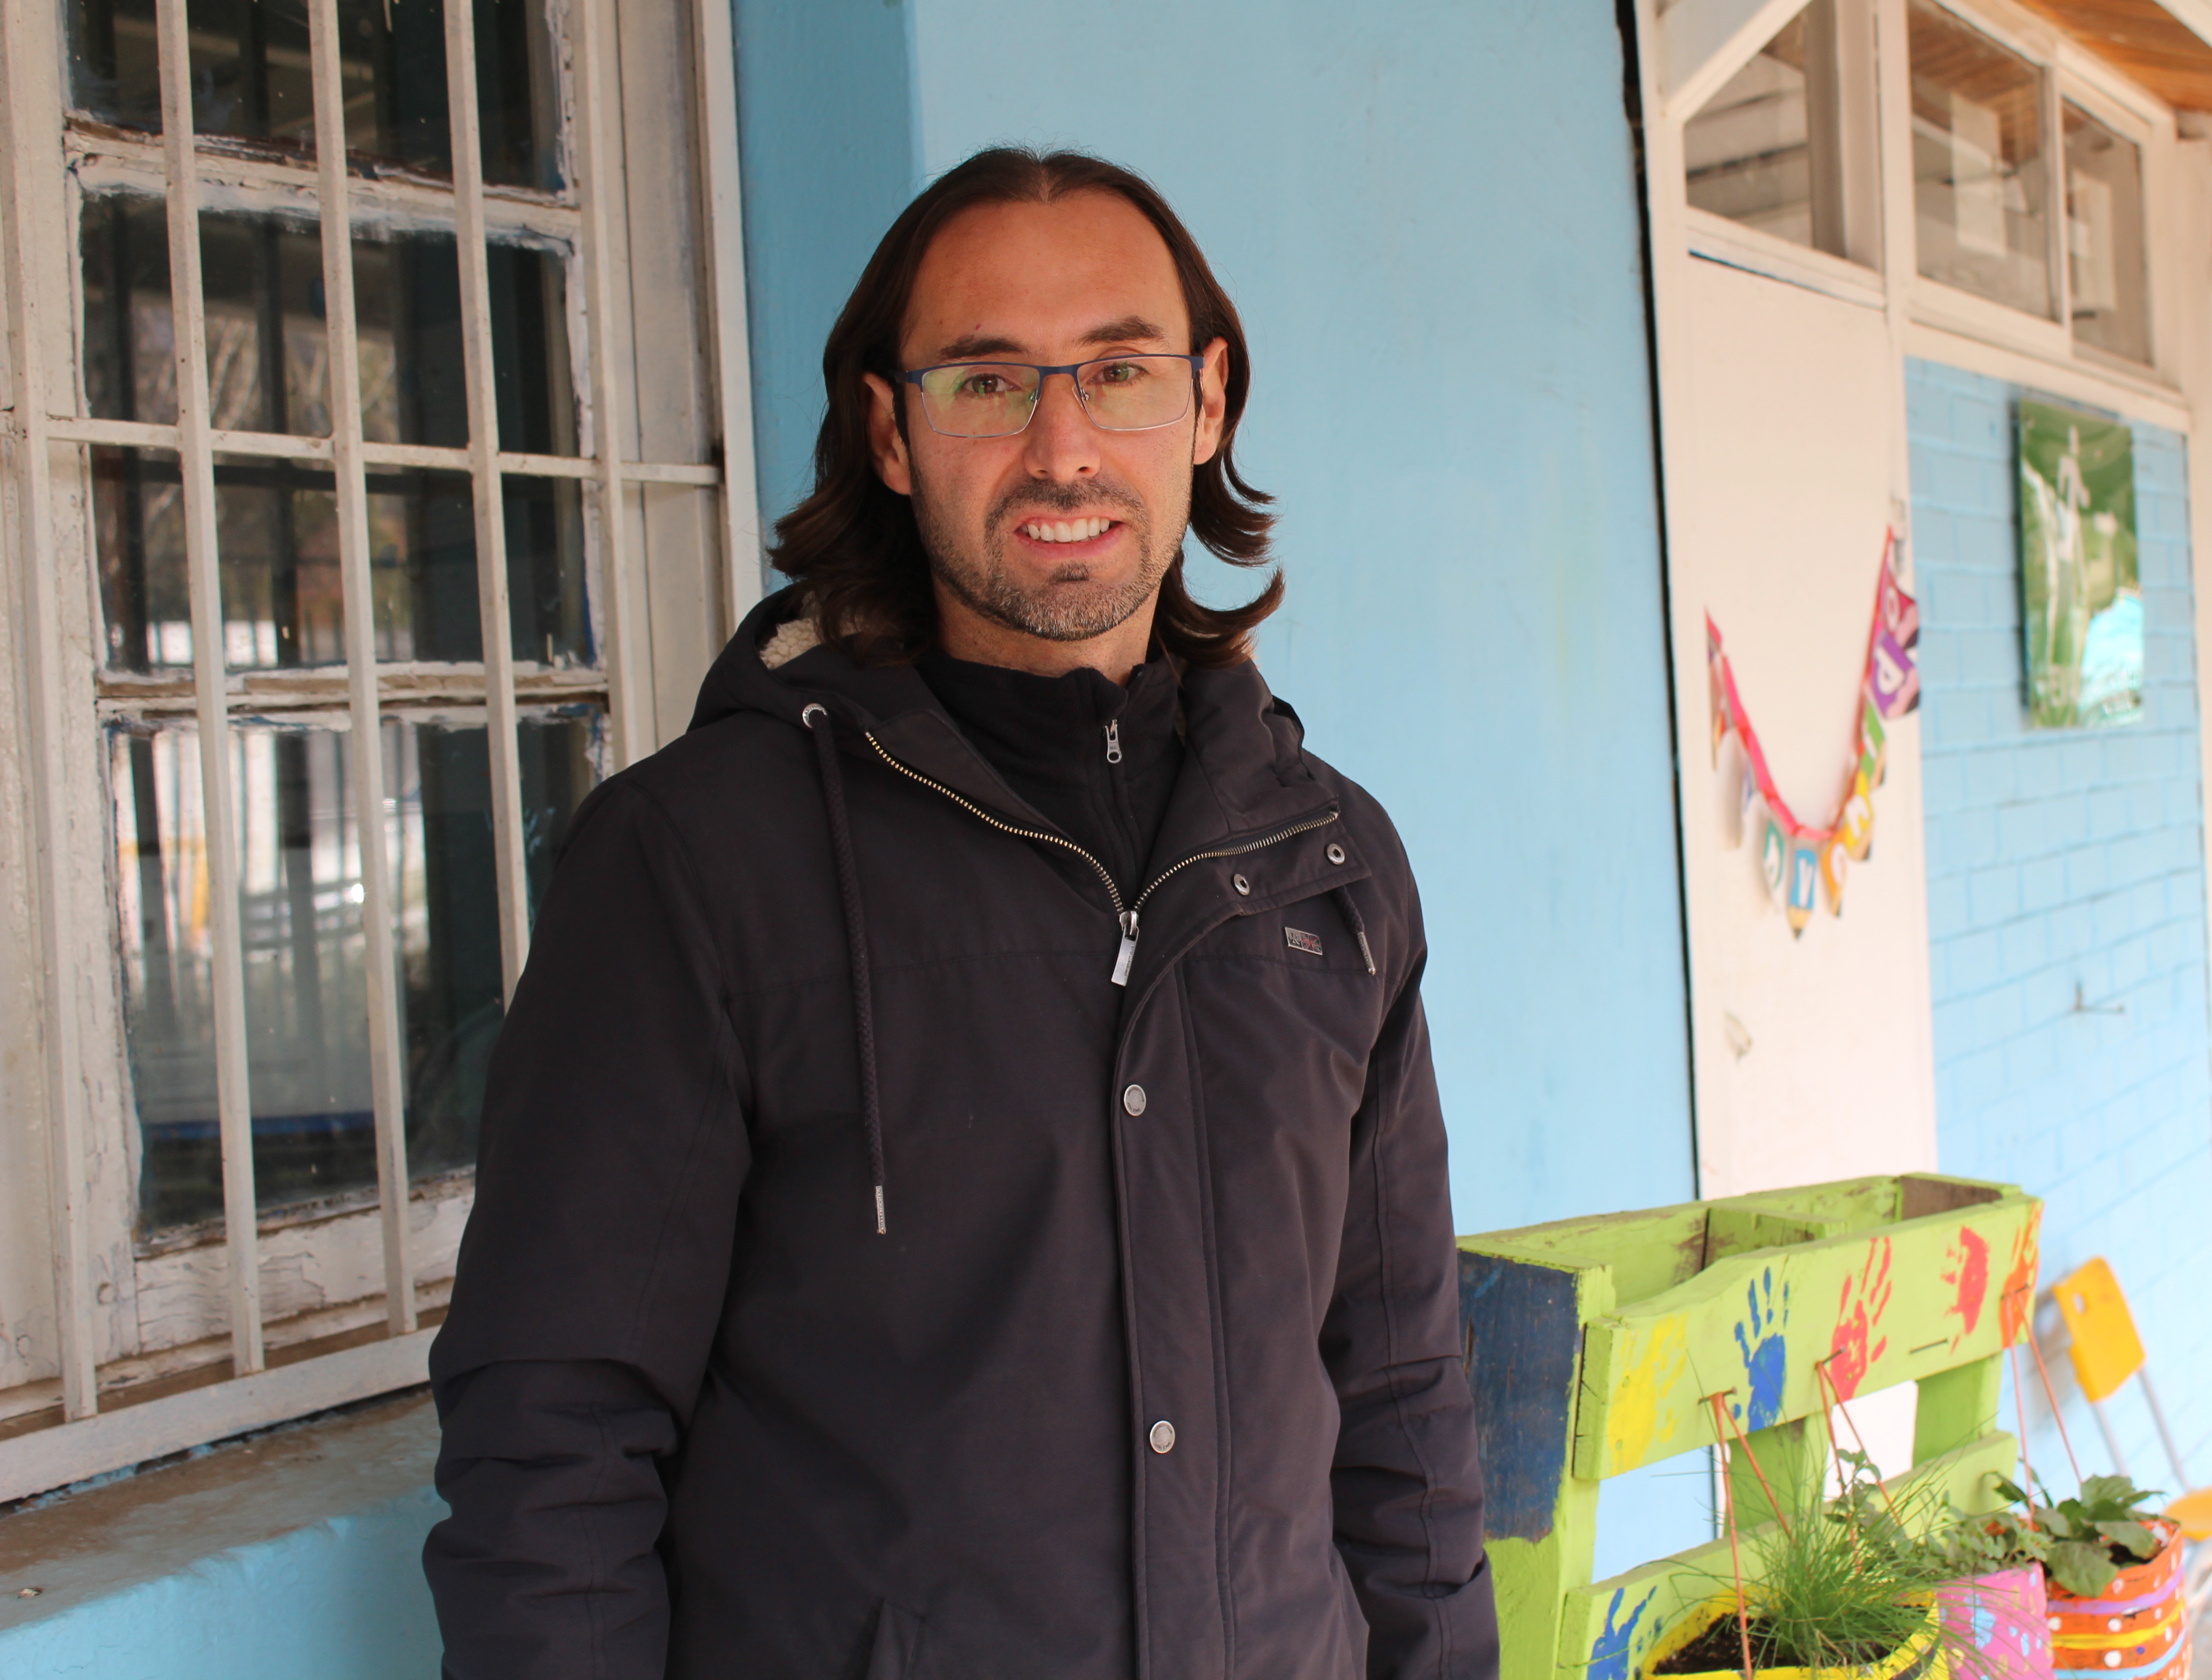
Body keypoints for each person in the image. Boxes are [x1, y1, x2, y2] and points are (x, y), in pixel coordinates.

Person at [422, 147, 1498, 1679]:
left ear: (1206, 408)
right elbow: (556, 1436)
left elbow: (1400, 1398)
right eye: (987, 383)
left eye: (1118, 372)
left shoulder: (1332, 866)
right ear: (893, 431)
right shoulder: (692, 863)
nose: (1062, 447)